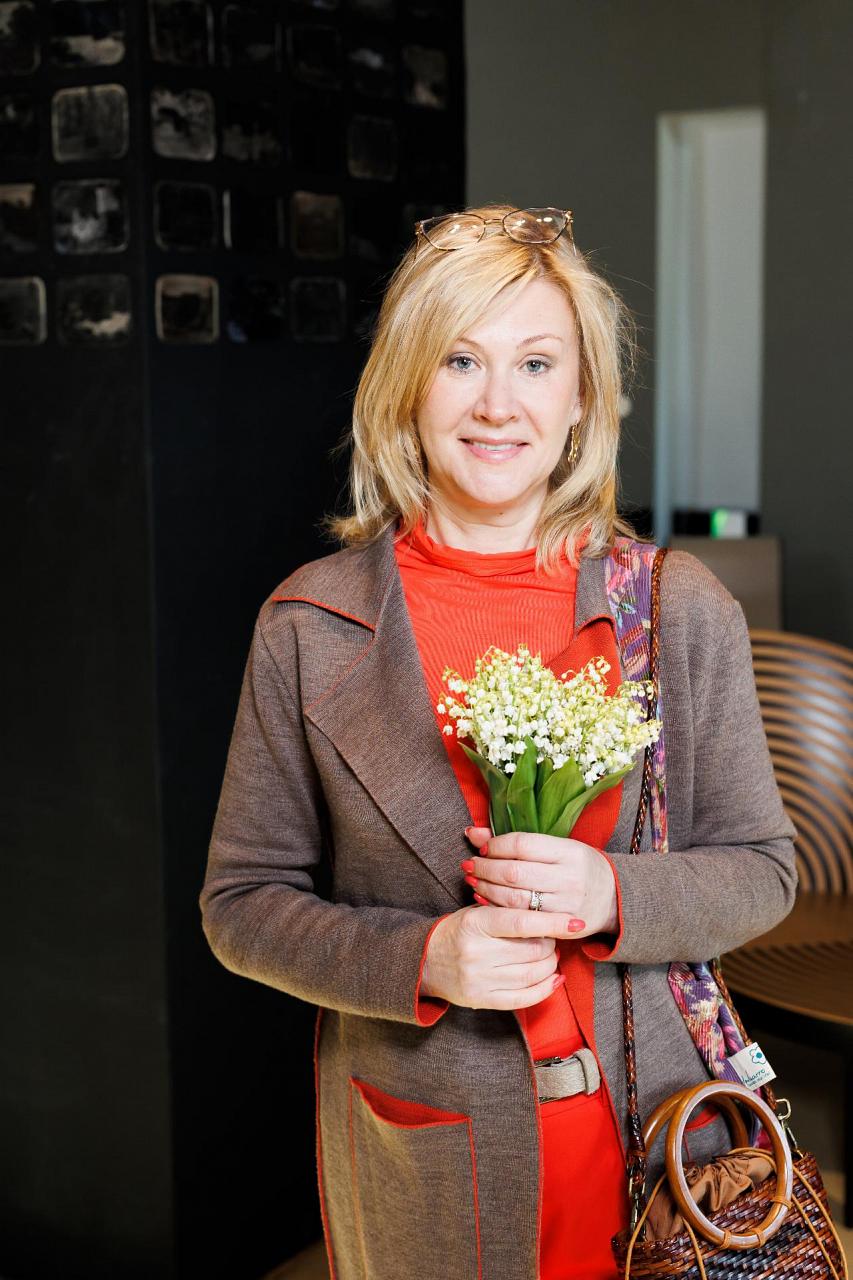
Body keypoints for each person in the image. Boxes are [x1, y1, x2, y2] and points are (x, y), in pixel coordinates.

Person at [199, 203, 797, 1280]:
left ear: (581, 399)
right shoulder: (310, 623)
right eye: (460, 359)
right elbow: (241, 905)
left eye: (535, 363)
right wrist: (422, 957)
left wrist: (610, 891)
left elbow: (763, 871)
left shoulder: (676, 607)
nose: (496, 403)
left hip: (657, 1133)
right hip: (432, 1144)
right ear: (406, 385)